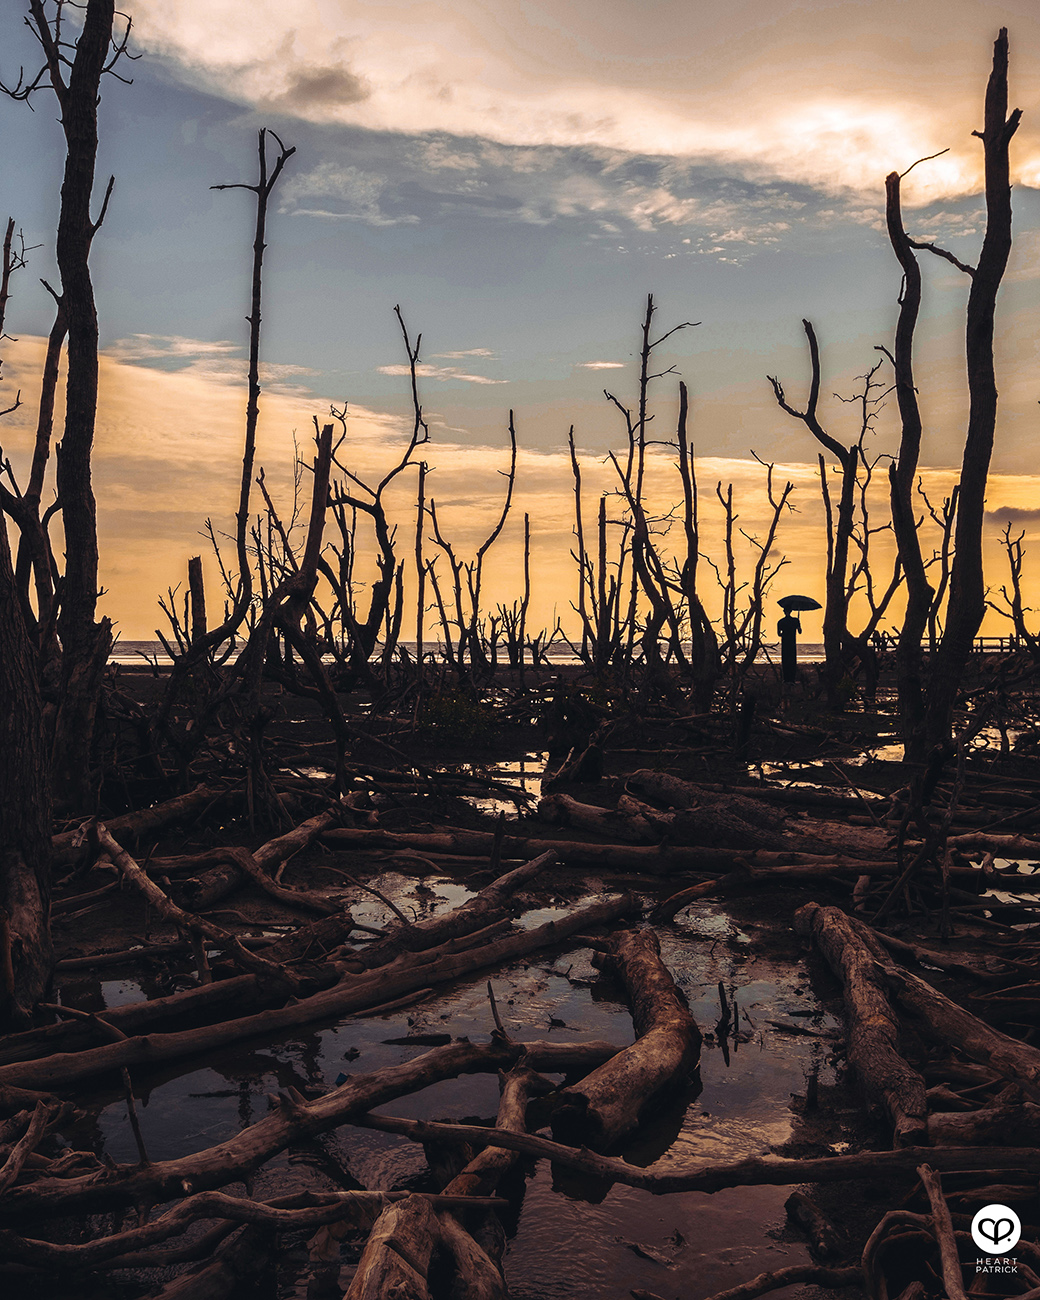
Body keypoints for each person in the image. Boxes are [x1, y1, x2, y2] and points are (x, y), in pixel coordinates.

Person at [778, 612, 801, 683]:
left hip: (785, 643)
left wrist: (785, 633)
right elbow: (800, 631)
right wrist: (798, 626)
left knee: (785, 660)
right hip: (792, 642)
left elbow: (779, 634)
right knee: (792, 660)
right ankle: (791, 679)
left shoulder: (781, 621)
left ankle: (786, 678)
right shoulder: (795, 620)